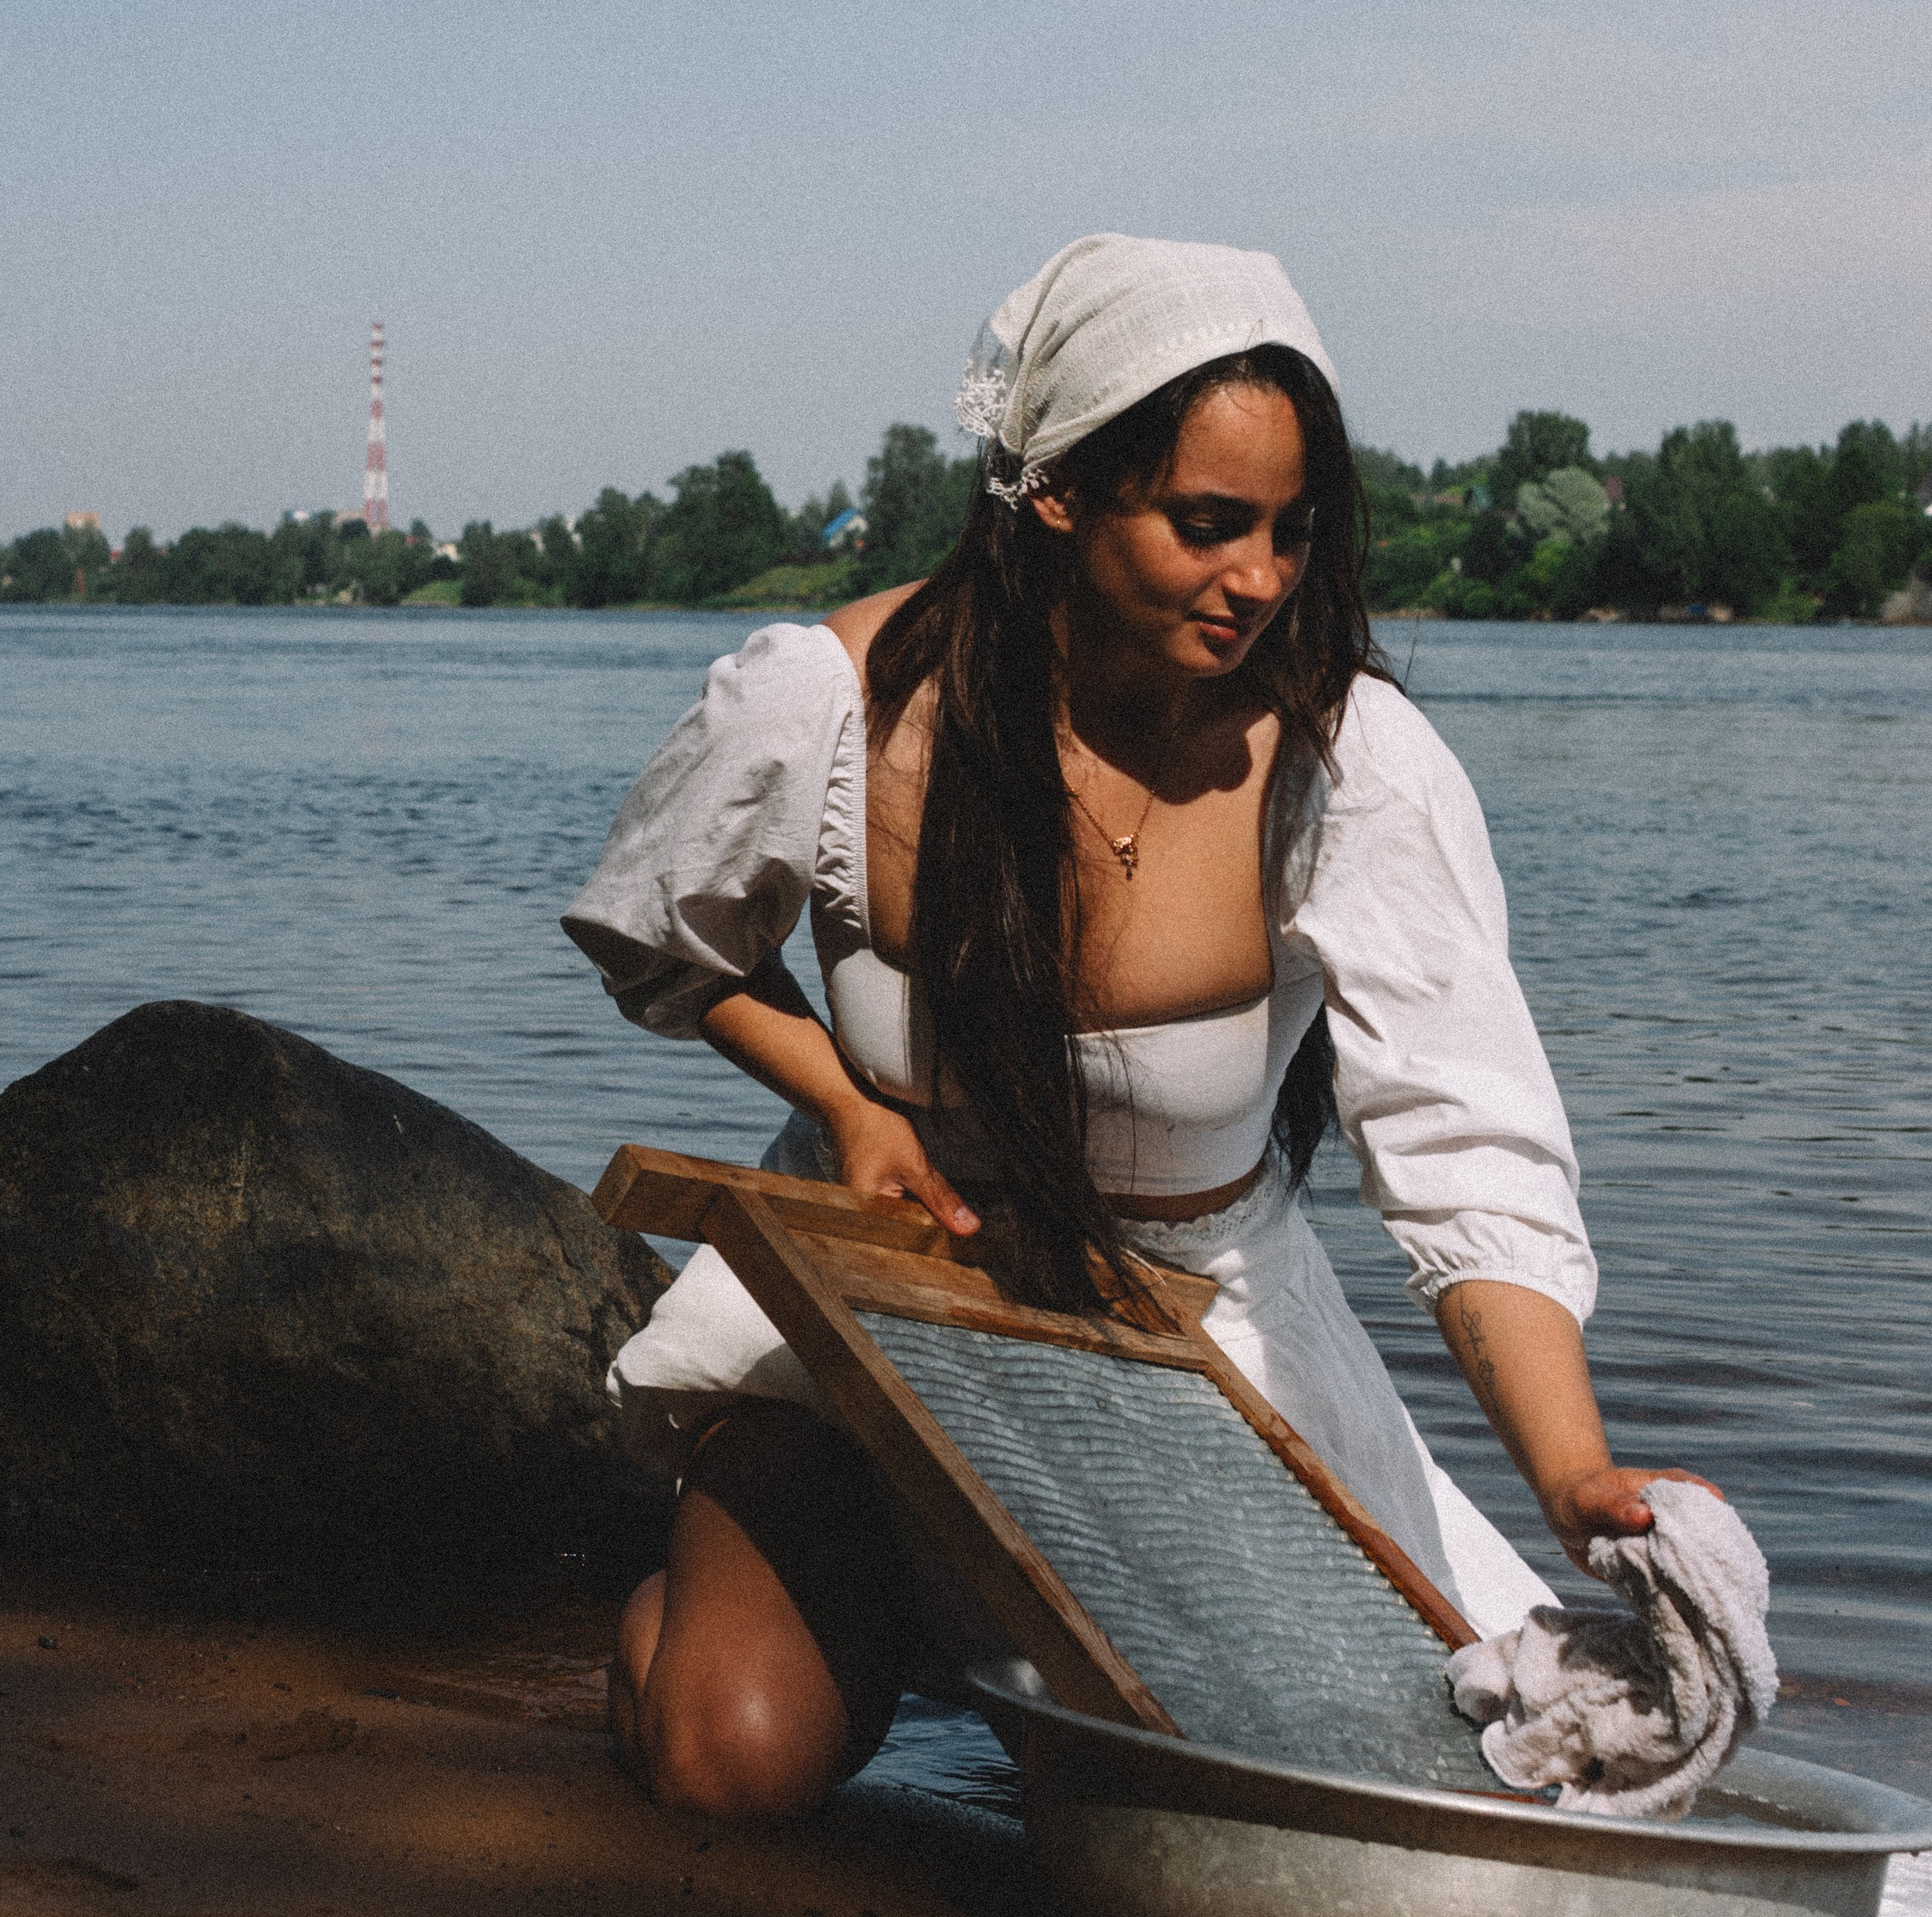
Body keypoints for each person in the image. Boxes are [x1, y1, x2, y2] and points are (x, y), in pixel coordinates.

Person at [561, 235, 1711, 1819]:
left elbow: (1465, 1148)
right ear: (1053, 497)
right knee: (727, 1765)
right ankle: (738, 1614)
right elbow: (657, 935)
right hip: (883, 1310)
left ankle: (976, 1647)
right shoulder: (836, 701)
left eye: (1291, 532)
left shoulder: (1344, 760)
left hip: (1198, 1339)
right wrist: (845, 1099)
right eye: (1205, 523)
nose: (1259, 580)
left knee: (1319, 1811)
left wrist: (1574, 1473)